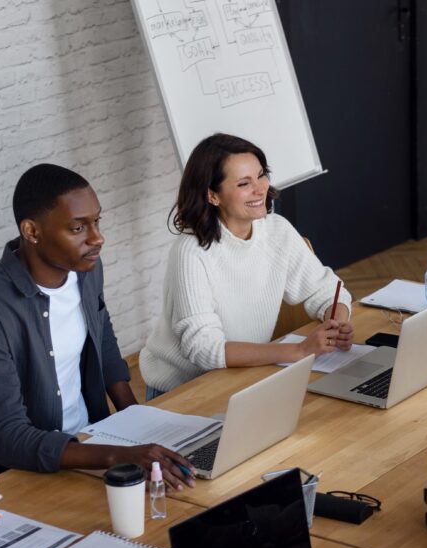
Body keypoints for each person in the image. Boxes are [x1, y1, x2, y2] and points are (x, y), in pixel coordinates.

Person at [0, 164, 196, 489]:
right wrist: (114, 456)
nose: (98, 238)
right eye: (78, 228)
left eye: (96, 221)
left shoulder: (85, 269)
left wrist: (140, 422)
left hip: (93, 440)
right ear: (32, 232)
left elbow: (102, 335)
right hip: (25, 475)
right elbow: (5, 436)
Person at [140, 133, 353, 397]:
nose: (260, 188)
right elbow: (205, 349)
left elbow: (326, 290)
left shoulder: (277, 230)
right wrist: (299, 350)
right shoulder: (191, 252)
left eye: (261, 175)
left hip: (244, 376)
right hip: (185, 391)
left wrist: (337, 323)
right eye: (244, 183)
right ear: (212, 195)